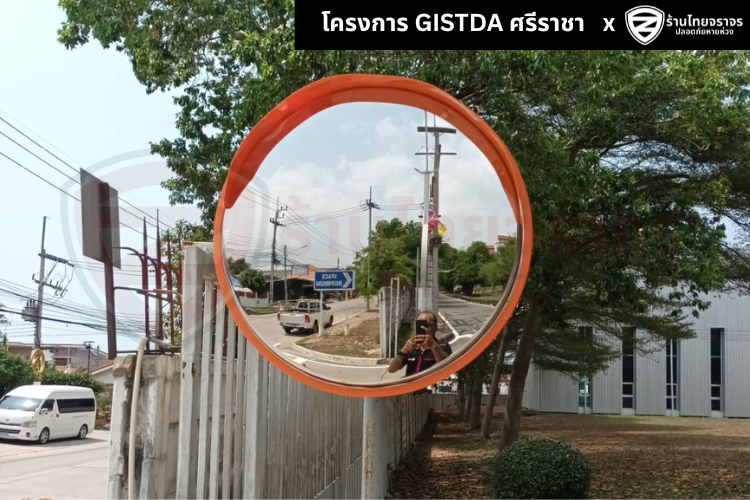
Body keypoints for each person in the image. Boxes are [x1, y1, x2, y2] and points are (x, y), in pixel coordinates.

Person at [388, 311, 452, 376]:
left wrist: (434, 346)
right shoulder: (412, 347)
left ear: (436, 327)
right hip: (413, 382)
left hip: (431, 381)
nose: (425, 328)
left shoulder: (442, 346)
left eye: (429, 325)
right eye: (421, 324)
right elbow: (392, 369)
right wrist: (403, 351)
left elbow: (447, 367)